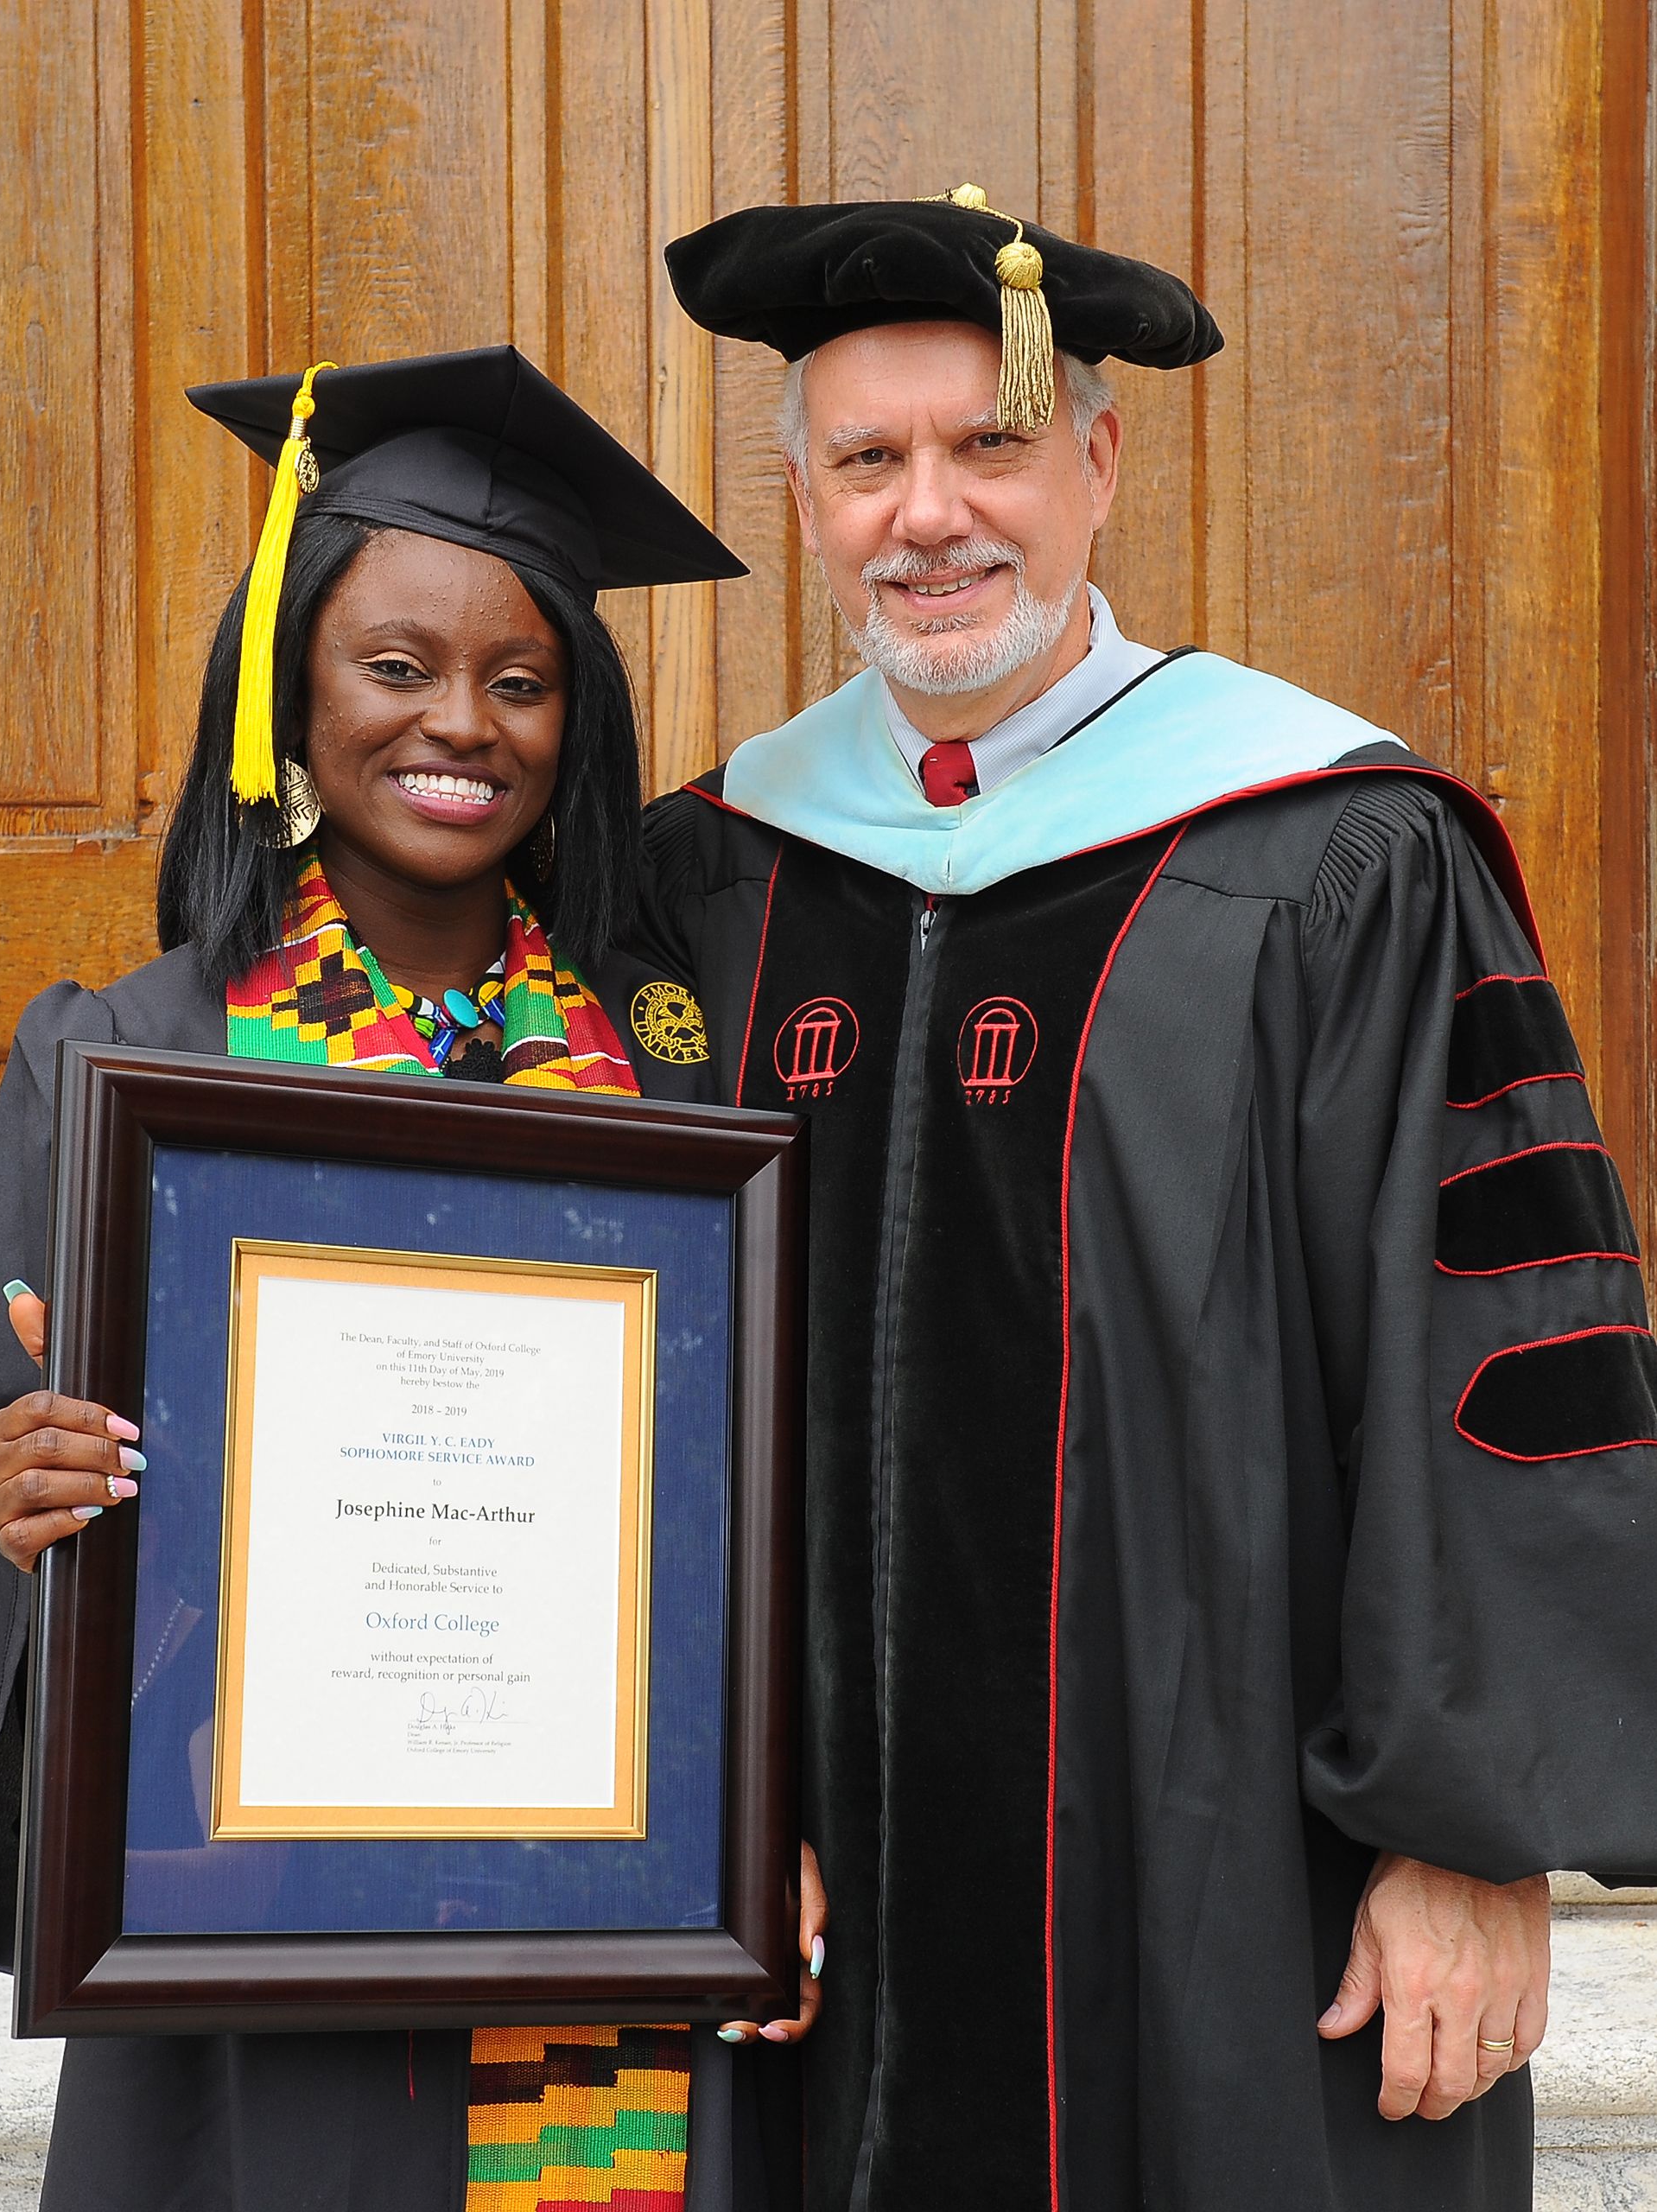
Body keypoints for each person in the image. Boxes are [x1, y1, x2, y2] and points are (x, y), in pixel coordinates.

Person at [626, 185, 1657, 2210]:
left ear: (1094, 462)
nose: (929, 513)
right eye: (868, 460)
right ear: (808, 497)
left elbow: (1497, 1351)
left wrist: (1466, 1838)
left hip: (1239, 1892)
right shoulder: (703, 876)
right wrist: (680, 1797)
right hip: (809, 1895)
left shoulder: (1338, 854)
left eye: (986, 445)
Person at [0, 345, 803, 2210]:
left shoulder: (665, 1079)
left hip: (596, 1923)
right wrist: (16, 1509)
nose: (458, 722)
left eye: (520, 678)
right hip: (244, 1907)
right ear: (291, 694)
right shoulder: (140, 1054)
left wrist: (772, 1801)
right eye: (396, 666)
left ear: (578, 723)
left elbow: (758, 1499)